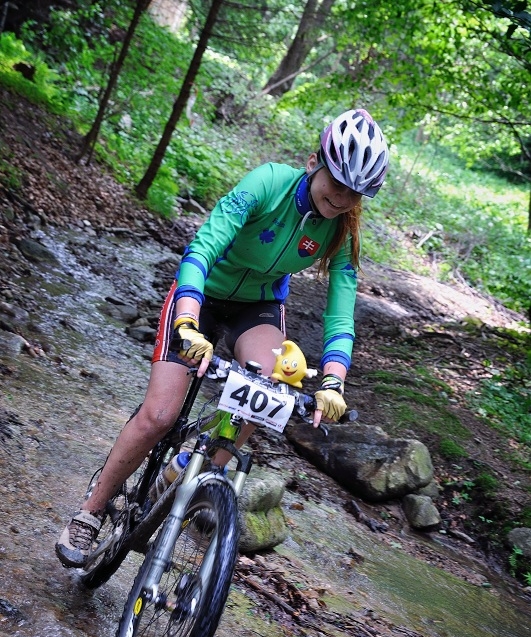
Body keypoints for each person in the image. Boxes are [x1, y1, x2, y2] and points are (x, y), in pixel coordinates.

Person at [55, 108, 389, 568]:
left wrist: (334, 381)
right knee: (159, 416)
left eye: (355, 192)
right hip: (202, 292)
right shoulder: (268, 182)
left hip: (257, 306)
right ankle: (92, 510)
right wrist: (187, 321)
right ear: (314, 162)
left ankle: (184, 477)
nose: (343, 197)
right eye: (338, 181)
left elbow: (340, 313)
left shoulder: (341, 232)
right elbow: (204, 247)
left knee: (275, 383)